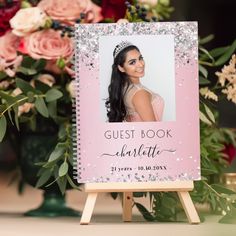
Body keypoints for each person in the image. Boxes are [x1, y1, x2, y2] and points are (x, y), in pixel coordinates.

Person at [106, 41, 164, 122]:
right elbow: (153, 130)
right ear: (121, 68)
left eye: (140, 58)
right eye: (132, 62)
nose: (140, 64)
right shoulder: (139, 93)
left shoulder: (125, 88)